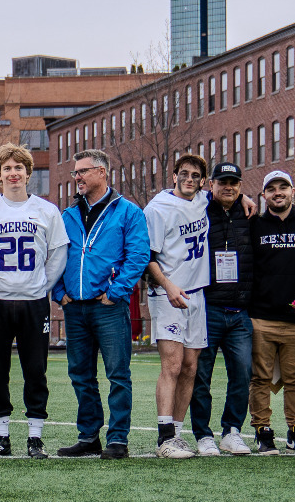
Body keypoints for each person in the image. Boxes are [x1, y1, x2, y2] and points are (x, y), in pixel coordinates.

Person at [0, 143, 69, 457]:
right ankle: (1, 436)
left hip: (33, 301)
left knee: (35, 370)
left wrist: (39, 286)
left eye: (19, 168)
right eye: (7, 169)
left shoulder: (47, 210)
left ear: (28, 173)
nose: (13, 174)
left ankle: (35, 437)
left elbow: (57, 255)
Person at [55, 149, 150, 459]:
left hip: (109, 307)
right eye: (74, 173)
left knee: (117, 375)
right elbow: (53, 256)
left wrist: (116, 291)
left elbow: (138, 256)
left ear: (102, 173)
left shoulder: (128, 212)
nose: (77, 177)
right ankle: (88, 436)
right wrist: (59, 292)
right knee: (80, 375)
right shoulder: (67, 215)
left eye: (82, 171)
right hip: (75, 307)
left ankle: (118, 439)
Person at [143, 153, 213, 458]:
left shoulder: (203, 200)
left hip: (197, 294)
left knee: (190, 367)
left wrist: (247, 199)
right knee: (171, 365)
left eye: (195, 175)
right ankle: (163, 438)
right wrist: (168, 285)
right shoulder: (157, 209)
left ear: (202, 180)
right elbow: (148, 257)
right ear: (173, 176)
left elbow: (228, 194)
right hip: (168, 293)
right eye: (183, 173)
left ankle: (178, 435)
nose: (189, 179)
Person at [246, 170, 295, 453]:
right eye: (272, 189)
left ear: (292, 191)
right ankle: (262, 431)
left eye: (283, 187)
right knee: (260, 378)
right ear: (264, 195)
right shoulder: (254, 224)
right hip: (261, 315)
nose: (278, 193)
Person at [189, 163, 256, 455]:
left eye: (234, 183)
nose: (228, 187)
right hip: (209, 308)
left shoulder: (250, 214)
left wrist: (245, 201)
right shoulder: (198, 210)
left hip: (240, 311)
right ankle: (203, 434)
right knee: (201, 376)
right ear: (211, 184)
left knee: (242, 373)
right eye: (223, 182)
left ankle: (231, 431)